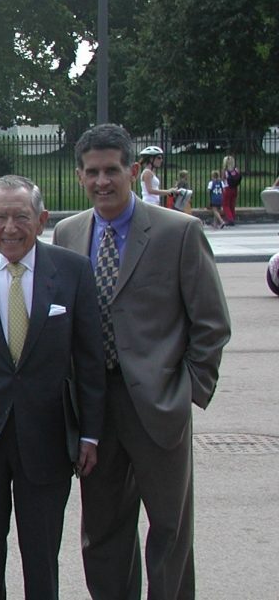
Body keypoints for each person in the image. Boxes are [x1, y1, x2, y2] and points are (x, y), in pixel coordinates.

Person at [54, 124, 231, 600]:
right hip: (94, 407)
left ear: (133, 171)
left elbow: (211, 323)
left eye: (112, 170)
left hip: (159, 403)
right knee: (102, 529)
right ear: (79, 177)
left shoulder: (179, 232)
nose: (102, 181)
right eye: (92, 172)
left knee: (170, 529)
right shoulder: (68, 234)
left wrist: (186, 389)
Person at [0, 175, 105, 600]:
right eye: (1, 217)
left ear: (42, 220)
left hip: (47, 435)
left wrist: (89, 432)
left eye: (21, 217)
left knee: (42, 556)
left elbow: (89, 359)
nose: (10, 227)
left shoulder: (72, 271)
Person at [222, 155, 240, 225]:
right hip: (234, 188)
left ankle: (230, 219)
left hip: (227, 188)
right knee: (232, 204)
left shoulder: (225, 171)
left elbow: (223, 179)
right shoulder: (236, 170)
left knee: (226, 205)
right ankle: (233, 217)